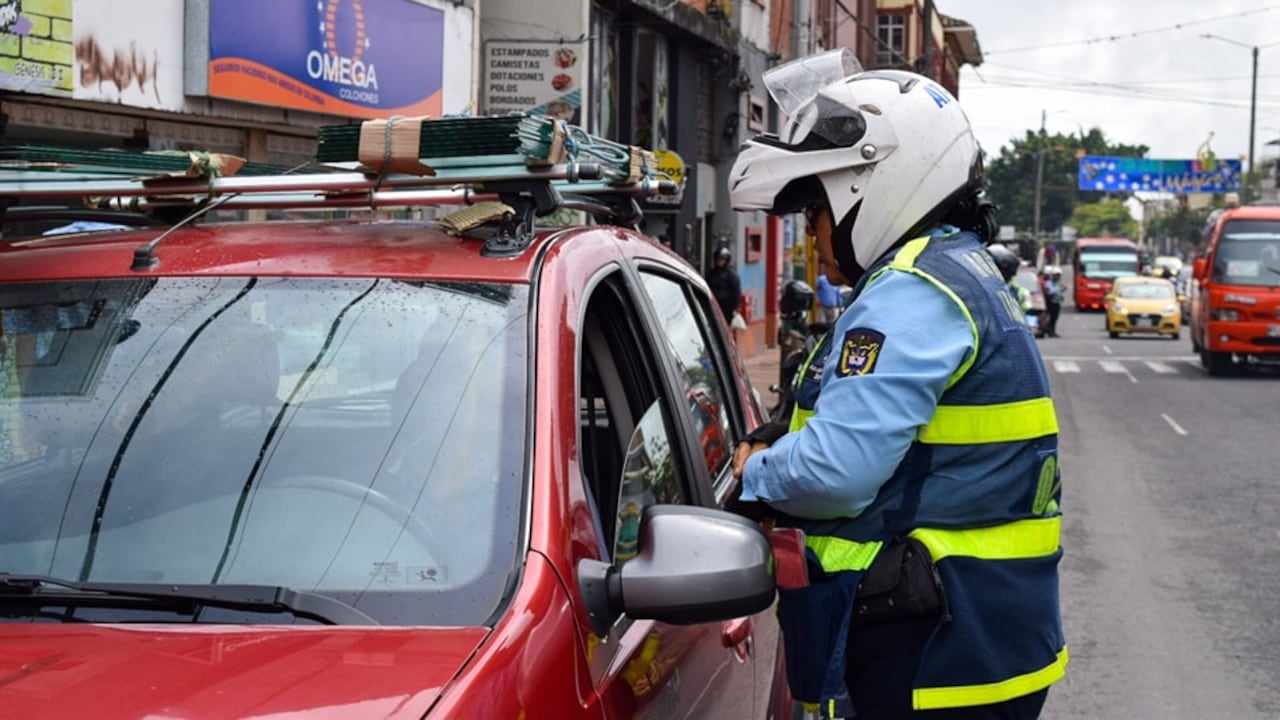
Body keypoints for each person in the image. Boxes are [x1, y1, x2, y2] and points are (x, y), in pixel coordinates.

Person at [725, 48, 1065, 720]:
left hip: (929, 654)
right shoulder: (961, 271)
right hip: (977, 639)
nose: (816, 236)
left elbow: (839, 470)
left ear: (872, 183)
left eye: (817, 211)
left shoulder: (912, 289)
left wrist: (755, 474)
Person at [706, 246, 744, 338]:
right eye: (719, 259)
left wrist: (737, 306)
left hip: (727, 310)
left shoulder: (731, 275)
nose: (720, 261)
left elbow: (737, 292)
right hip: (712, 307)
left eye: (723, 259)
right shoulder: (711, 274)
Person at [1041, 266, 1064, 337]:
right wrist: (1059, 288)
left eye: (1059, 276)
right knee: (1051, 317)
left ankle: (1052, 331)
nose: (1058, 277)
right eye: (1056, 275)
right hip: (1051, 302)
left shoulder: (1057, 283)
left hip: (1057, 302)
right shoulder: (1049, 282)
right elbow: (1050, 291)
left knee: (1055, 317)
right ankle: (1049, 331)